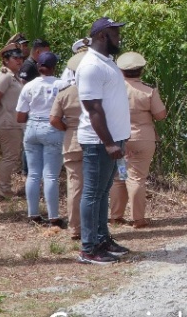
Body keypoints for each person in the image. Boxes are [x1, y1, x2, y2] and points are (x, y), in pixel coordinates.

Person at [76, 17, 133, 264]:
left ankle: (102, 238)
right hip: (99, 141)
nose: (118, 37)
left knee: (102, 193)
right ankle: (89, 248)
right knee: (93, 193)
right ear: (101, 36)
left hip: (113, 139)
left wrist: (119, 139)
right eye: (114, 33)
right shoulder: (90, 66)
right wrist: (109, 142)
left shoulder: (106, 62)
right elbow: (93, 108)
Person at [109, 52, 168, 228]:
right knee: (136, 178)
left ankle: (116, 216)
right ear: (141, 70)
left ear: (121, 71)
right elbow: (160, 115)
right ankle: (138, 218)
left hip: (119, 138)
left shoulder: (114, 90)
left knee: (119, 177)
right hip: (143, 139)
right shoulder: (148, 91)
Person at [16, 51, 66, 228]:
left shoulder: (28, 86)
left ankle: (34, 214)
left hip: (32, 126)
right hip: (52, 126)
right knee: (51, 175)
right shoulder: (62, 84)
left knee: (33, 173)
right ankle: (53, 217)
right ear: (54, 67)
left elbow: (20, 116)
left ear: (38, 67)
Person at [51, 50, 87, 241]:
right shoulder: (96, 91)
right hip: (94, 141)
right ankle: (94, 227)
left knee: (75, 186)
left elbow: (54, 119)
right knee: (95, 187)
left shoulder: (65, 94)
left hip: (72, 141)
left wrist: (68, 127)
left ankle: (75, 228)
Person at [0, 42, 27, 197]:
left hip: (13, 122)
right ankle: (3, 189)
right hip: (6, 122)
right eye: (15, 58)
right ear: (5, 60)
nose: (19, 60)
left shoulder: (14, 76)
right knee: (10, 156)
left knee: (12, 155)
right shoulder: (5, 76)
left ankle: (4, 187)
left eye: (21, 57)